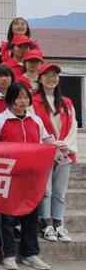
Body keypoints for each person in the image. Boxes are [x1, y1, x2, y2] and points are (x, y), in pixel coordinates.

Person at [0, 83, 65, 270]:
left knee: (31, 215)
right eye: (19, 97)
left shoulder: (35, 120)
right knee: (7, 217)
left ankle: (31, 254)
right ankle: (8, 255)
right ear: (10, 99)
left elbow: (47, 140)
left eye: (26, 97)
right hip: (9, 176)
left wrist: (58, 146)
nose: (23, 101)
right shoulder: (0, 119)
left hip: (32, 176)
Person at [33, 63, 78, 243]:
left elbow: (73, 126)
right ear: (40, 79)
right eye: (47, 75)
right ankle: (46, 225)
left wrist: (66, 145)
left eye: (55, 75)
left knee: (60, 192)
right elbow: (34, 127)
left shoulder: (67, 102)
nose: (51, 79)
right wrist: (50, 145)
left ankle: (59, 224)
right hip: (44, 152)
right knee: (46, 191)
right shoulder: (33, 101)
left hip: (64, 153)